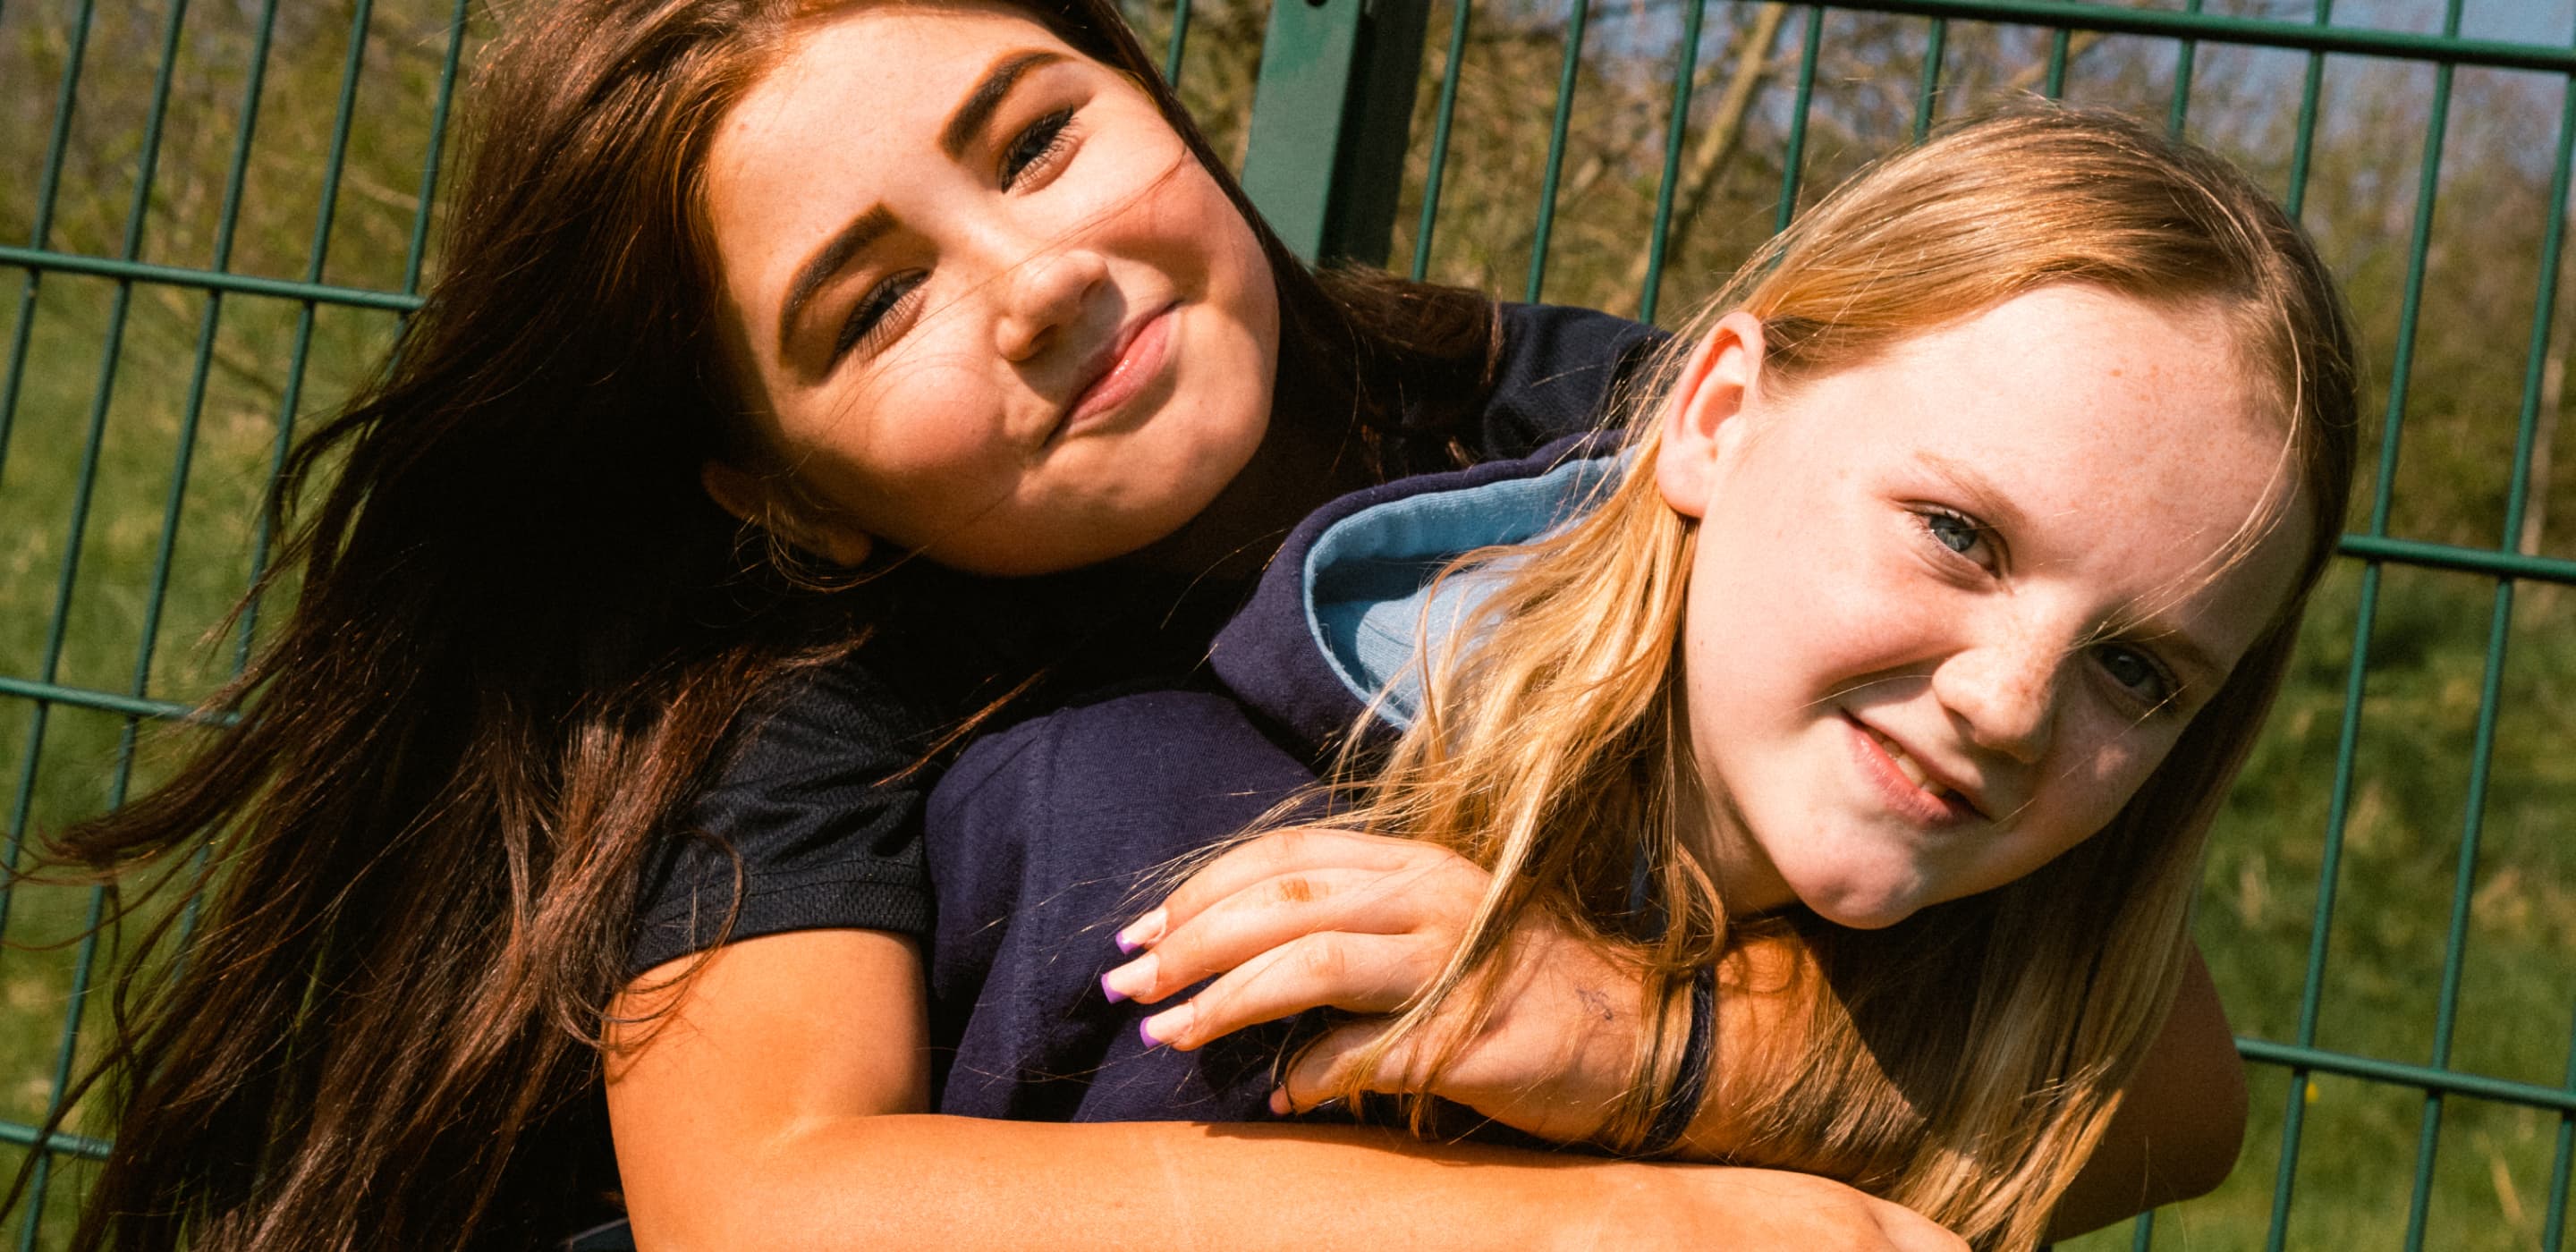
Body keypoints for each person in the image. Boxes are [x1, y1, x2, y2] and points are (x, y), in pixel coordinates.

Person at [25, 0, 1953, 1248]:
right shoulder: (803, 687)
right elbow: (760, 1198)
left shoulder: (1612, 432)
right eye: (869, 309)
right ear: (782, 492)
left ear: (1152, 92)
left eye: (1035, 137)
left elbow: (2166, 1073)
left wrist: (1629, 1035)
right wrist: (1599, 1232)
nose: (1034, 282)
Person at [913, 107, 2360, 1252]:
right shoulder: (1174, 867)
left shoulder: (2000, 992)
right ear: (1718, 414)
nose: (2013, 703)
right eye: (1960, 535)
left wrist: (1645, 1039)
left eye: (2138, 671)